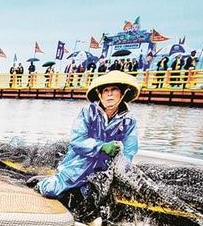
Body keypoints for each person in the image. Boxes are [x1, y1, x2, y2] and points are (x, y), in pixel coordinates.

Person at [30, 71, 140, 211]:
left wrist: (122, 168)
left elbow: (130, 149)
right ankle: (42, 183)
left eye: (114, 90)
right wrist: (101, 147)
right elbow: (77, 141)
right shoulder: (88, 112)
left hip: (104, 170)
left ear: (123, 93)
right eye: (106, 91)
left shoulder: (129, 120)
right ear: (100, 94)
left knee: (93, 202)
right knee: (52, 190)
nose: (110, 94)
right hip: (78, 164)